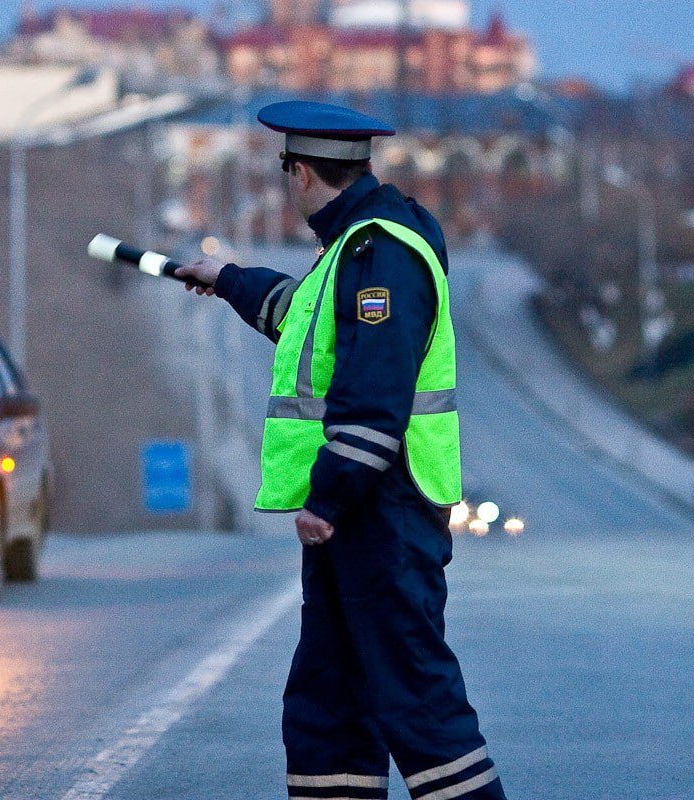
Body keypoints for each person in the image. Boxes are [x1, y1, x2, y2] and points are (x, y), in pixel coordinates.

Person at [175, 101, 508, 800]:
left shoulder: (379, 251)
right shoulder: (357, 245)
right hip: (367, 513)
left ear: (298, 172)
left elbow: (374, 389)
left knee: (417, 700)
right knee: (330, 701)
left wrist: (327, 499)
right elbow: (306, 321)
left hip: (381, 509)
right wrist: (227, 277)